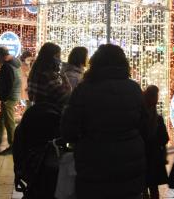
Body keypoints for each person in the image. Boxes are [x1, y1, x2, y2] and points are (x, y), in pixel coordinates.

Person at [61, 44, 147, 199]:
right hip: (129, 165)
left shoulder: (84, 89)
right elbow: (145, 126)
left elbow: (69, 130)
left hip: (93, 164)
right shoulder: (134, 89)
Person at [13, 71, 66, 198]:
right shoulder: (56, 117)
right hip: (52, 170)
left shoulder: (31, 117)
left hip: (32, 168)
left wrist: (19, 171)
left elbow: (19, 147)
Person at [0, 47, 22, 155]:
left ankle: (13, 145)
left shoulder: (7, 66)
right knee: (2, 120)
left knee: (9, 122)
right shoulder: (14, 62)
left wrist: (4, 97)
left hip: (9, 97)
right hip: (12, 95)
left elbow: (8, 83)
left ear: (1, 56)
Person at [143, 85, 168, 199]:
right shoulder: (157, 119)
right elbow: (164, 139)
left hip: (141, 156)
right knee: (154, 188)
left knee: (143, 187)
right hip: (154, 157)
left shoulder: (140, 117)